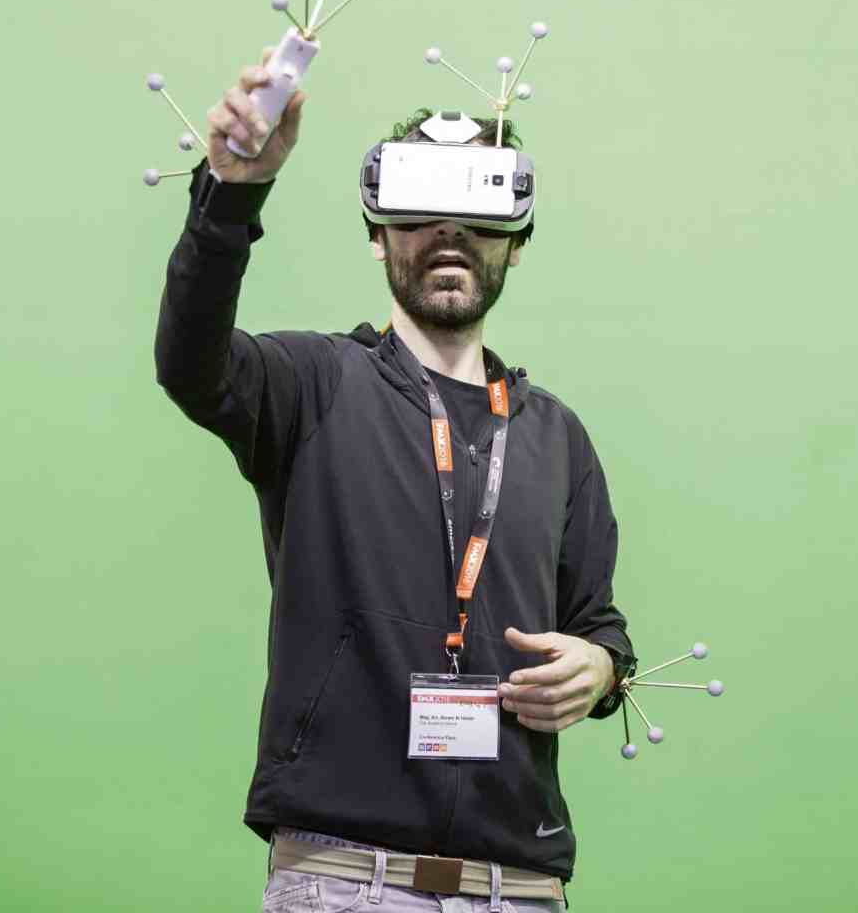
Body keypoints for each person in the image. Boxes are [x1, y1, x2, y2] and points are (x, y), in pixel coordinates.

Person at [155, 50, 636, 911]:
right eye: (420, 210)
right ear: (377, 230)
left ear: (516, 241)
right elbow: (191, 364)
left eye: (479, 212)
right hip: (346, 881)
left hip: (520, 888)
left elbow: (596, 623)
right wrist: (231, 193)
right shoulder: (309, 387)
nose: (449, 233)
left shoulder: (557, 438)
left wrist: (600, 668)